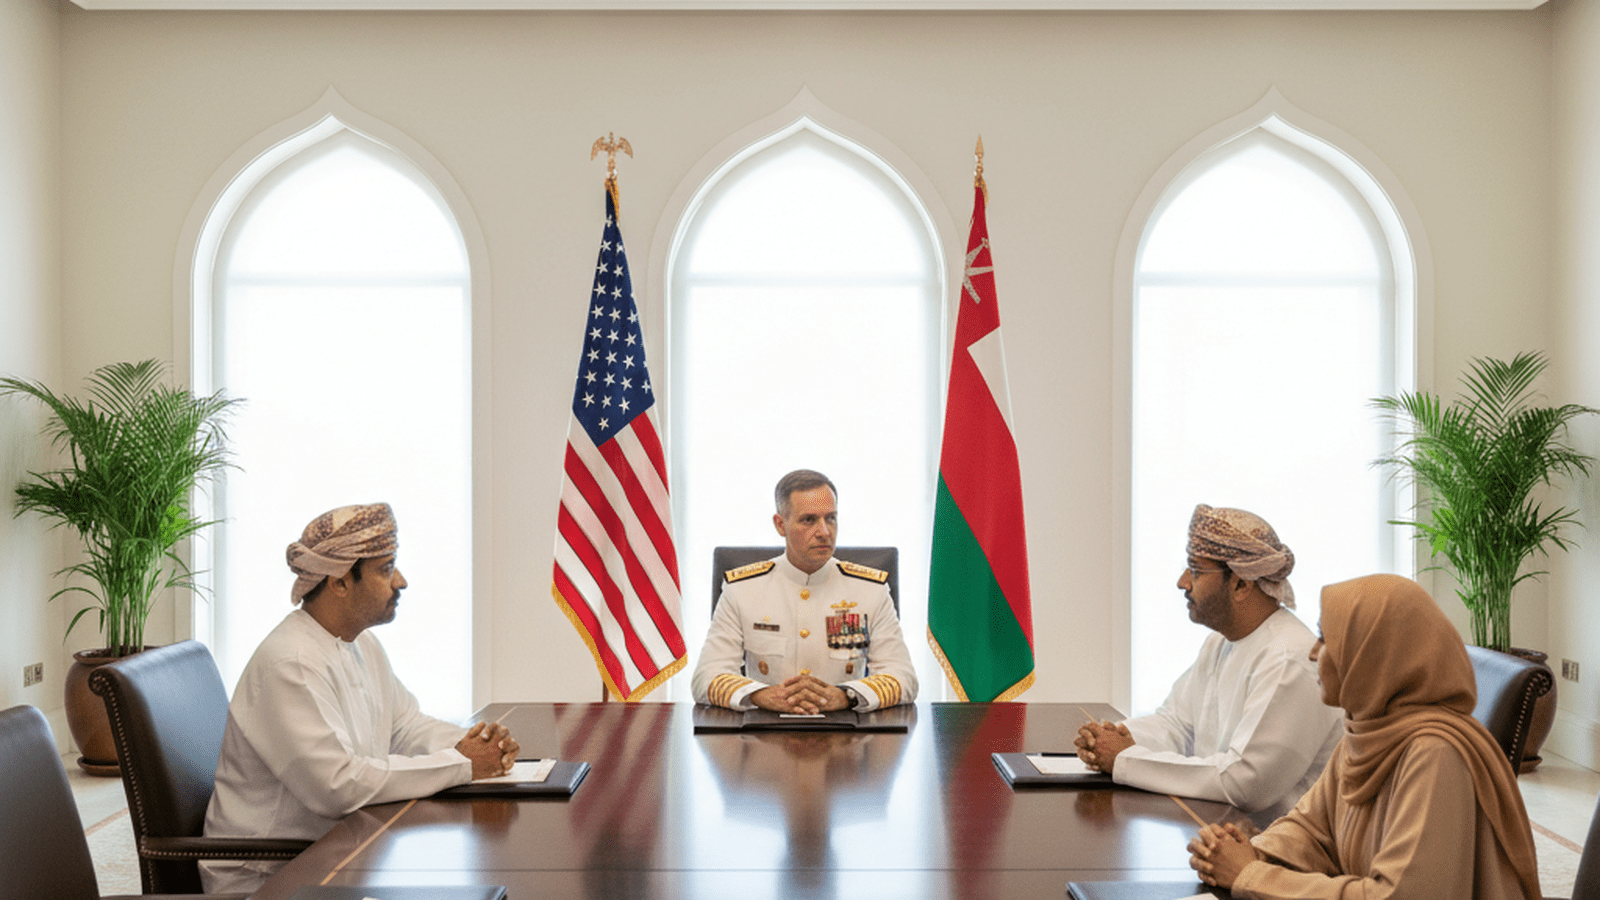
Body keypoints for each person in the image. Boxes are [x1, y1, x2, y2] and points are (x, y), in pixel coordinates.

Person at [201, 503, 520, 893]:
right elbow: (338, 787)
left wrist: (476, 746)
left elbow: (404, 726)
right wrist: (462, 765)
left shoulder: (360, 642)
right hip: (273, 877)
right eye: (386, 569)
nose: (400, 581)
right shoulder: (290, 663)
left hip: (341, 852)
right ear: (338, 582)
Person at [1188, 573, 1542, 899]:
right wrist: (1252, 850)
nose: (1313, 653)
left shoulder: (1435, 754)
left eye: (1326, 639)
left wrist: (1251, 876)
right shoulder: (1367, 730)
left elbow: (1398, 896)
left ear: (1374, 654)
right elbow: (1312, 830)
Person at [1075, 504, 1342, 819]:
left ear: (1241, 584)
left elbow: (1245, 781)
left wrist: (1124, 760)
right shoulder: (1221, 641)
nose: (1182, 582)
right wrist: (1114, 737)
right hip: (1215, 833)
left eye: (1197, 571)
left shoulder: (1289, 659)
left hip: (1273, 854)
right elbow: (1178, 726)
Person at [691, 469, 917, 713]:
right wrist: (759, 695)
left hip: (847, 735)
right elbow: (706, 676)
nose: (824, 532)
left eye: (830, 518)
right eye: (809, 520)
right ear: (780, 524)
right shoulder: (742, 590)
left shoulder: (870, 591)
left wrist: (846, 695)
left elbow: (903, 677)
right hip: (763, 734)